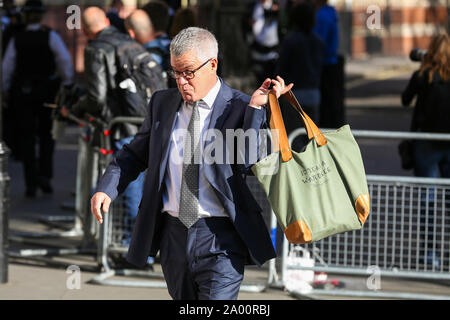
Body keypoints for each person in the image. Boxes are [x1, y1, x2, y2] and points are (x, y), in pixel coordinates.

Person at [90, 27, 293, 300]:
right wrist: (107, 188)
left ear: (213, 64)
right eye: (175, 72)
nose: (182, 81)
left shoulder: (240, 106)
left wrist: (256, 111)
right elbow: (135, 154)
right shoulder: (161, 103)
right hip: (173, 235)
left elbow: (250, 162)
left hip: (221, 238)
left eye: (188, 72)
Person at [68, 7, 151, 268]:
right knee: (139, 187)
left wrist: (75, 109)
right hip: (144, 123)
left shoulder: (96, 49)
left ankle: (133, 251)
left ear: (84, 29)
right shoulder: (129, 42)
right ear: (105, 21)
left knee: (126, 187)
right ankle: (139, 249)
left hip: (121, 128)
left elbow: (97, 97)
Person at [2, 0, 74, 197]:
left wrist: (6, 90)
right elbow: (64, 62)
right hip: (46, 91)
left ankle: (31, 182)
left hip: (23, 92)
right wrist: (65, 84)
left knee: (26, 137)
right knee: (46, 135)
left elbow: (7, 68)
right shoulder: (50, 36)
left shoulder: (17, 38)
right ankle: (45, 176)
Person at [401, 33, 450, 268]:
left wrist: (422, 69)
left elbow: (405, 99)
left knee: (427, 200)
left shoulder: (423, 75)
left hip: (426, 146)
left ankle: (430, 253)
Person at [276, 2, 325, 150]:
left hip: (294, 94)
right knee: (312, 136)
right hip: (314, 92)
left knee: (294, 136)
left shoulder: (290, 41)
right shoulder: (318, 41)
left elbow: (281, 69)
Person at [313, 0, 343, 128]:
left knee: (326, 107)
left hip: (324, 65)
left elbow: (318, 42)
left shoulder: (321, 16)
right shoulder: (330, 13)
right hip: (332, 63)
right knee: (333, 105)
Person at [245, 0, 280, 85]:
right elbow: (245, 25)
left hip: (273, 52)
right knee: (259, 82)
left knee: (272, 82)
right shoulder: (252, 6)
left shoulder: (275, 6)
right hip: (256, 50)